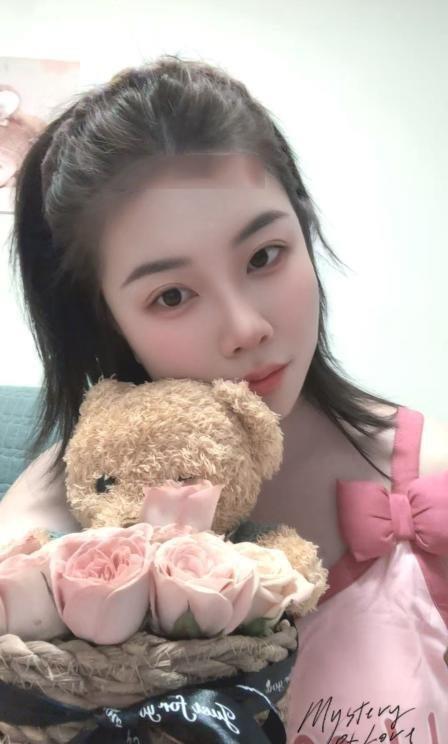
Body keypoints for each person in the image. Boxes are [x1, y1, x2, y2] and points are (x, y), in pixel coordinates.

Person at [1, 54, 447, 743]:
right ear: (106, 319)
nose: (246, 327)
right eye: (172, 295)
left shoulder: (427, 481)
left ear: (304, 230)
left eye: (264, 256)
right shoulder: (42, 542)